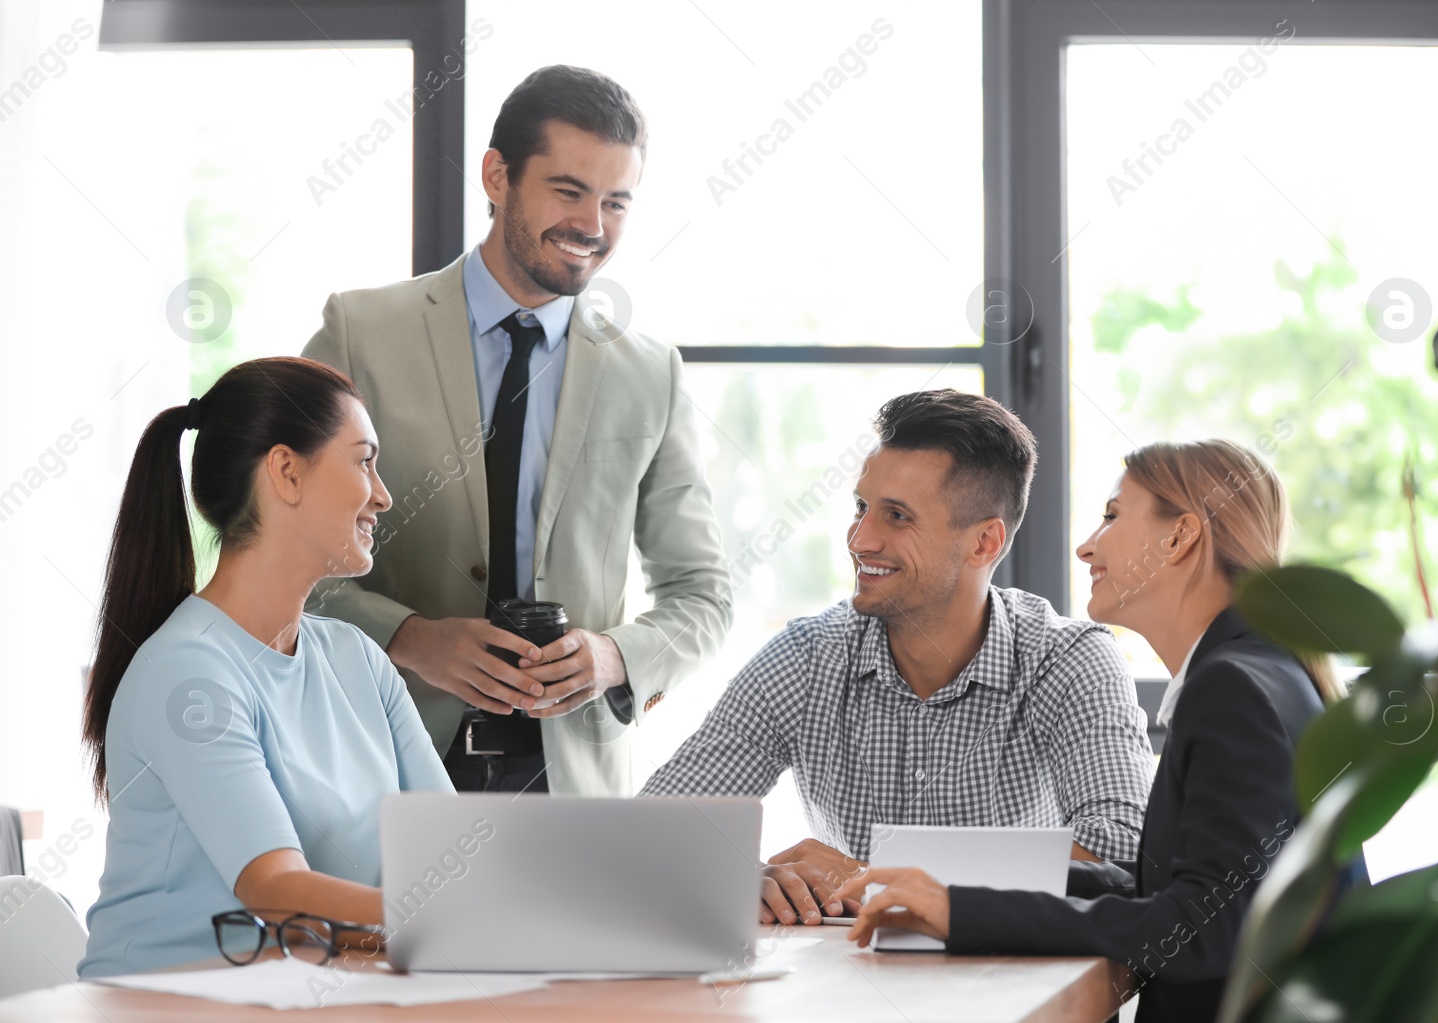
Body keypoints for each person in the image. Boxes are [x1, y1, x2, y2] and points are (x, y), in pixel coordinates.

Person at [302, 65, 732, 796]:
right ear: (496, 176)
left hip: (571, 782)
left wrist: (615, 654)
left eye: (616, 202)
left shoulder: (649, 372)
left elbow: (702, 594)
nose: (592, 226)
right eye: (568, 190)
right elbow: (276, 552)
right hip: (383, 758)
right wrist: (409, 636)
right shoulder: (361, 334)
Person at [837, 439, 1341, 1023]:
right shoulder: (1257, 669)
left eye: (1110, 517)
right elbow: (1165, 889)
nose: (1085, 547)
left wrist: (963, 912)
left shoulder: (1231, 689)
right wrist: (952, 883)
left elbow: (1207, 926)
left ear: (1179, 537)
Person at [642, 389, 1154, 926]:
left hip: (1014, 988)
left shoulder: (1067, 661)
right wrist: (739, 878)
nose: (860, 540)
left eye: (898, 517)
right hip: (853, 986)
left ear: (984, 543)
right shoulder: (807, 658)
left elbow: (1121, 861)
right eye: (862, 508)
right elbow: (648, 837)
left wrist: (874, 875)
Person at [78, 358, 453, 978]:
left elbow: (445, 851)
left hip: (315, 993)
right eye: (364, 460)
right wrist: (458, 926)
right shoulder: (189, 674)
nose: (383, 494)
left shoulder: (356, 658)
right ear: (286, 471)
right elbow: (276, 892)